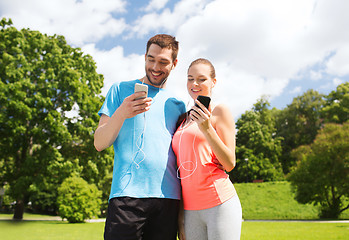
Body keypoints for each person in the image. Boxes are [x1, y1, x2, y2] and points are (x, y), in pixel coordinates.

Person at [94, 34, 186, 240]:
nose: (155, 67)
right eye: (151, 59)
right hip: (127, 197)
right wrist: (122, 112)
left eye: (163, 62)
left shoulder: (177, 103)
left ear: (174, 63)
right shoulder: (119, 90)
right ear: (145, 57)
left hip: (168, 198)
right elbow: (99, 143)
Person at [172, 58, 242, 240]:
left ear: (213, 82)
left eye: (201, 79)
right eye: (190, 78)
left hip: (219, 204)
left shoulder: (219, 111)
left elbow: (229, 163)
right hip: (189, 211)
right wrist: (180, 218)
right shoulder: (183, 120)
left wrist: (206, 127)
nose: (194, 83)